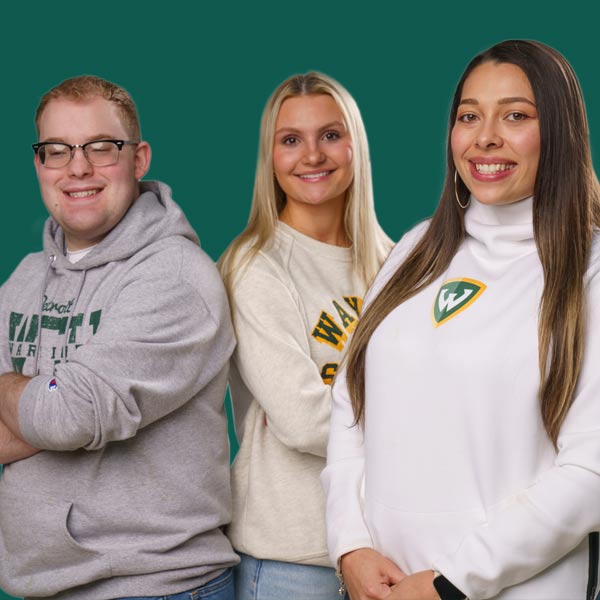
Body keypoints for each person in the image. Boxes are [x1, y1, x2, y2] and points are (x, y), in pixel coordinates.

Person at [322, 39, 600, 600]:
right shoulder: (416, 248)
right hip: (386, 589)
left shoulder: (588, 269)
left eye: (516, 115)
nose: (485, 136)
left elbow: (592, 471)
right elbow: (351, 407)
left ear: (561, 134)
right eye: (468, 116)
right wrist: (349, 545)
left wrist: (454, 582)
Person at [0, 76, 238, 600]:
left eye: (100, 148)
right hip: (42, 585)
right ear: (39, 163)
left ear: (139, 158)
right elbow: (59, 409)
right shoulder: (21, 279)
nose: (78, 168)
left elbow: (72, 416)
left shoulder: (176, 276)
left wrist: (22, 393)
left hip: (155, 586)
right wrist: (46, 394)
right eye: (57, 150)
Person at [219, 72, 391, 599]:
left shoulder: (398, 264)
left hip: (388, 549)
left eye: (330, 135)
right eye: (290, 140)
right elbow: (302, 420)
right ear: (270, 158)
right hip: (294, 561)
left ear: (355, 145)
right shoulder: (254, 266)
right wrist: (422, 431)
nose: (312, 155)